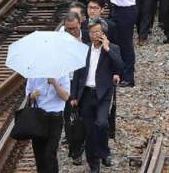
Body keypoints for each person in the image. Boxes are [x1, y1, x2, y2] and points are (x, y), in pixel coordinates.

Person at [70, 19, 122, 173]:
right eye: (92, 32)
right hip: (86, 93)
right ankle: (94, 164)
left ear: (103, 33)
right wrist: (73, 96)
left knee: (101, 123)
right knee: (89, 130)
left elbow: (120, 66)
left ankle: (104, 152)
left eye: (97, 32)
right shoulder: (84, 49)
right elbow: (77, 74)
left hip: (103, 93)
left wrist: (107, 49)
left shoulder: (112, 48)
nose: (94, 35)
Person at [25, 72, 70, 173]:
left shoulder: (62, 73)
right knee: (39, 155)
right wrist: (32, 96)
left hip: (55, 118)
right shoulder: (34, 73)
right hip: (38, 117)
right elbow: (27, 96)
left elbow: (66, 96)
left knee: (49, 153)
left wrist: (54, 83)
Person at [59, 13, 86, 165]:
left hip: (87, 82)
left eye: (74, 28)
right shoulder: (60, 40)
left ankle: (86, 145)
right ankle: (75, 151)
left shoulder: (88, 36)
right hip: (69, 82)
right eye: (68, 29)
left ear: (80, 24)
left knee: (86, 117)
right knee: (70, 119)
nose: (71, 32)